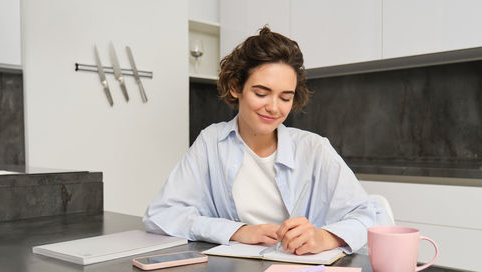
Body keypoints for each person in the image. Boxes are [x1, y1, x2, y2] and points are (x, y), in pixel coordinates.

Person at [143, 26, 375, 255]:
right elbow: (160, 214)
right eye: (261, 93)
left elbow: (370, 217)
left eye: (285, 97)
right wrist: (236, 231)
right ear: (236, 87)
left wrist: (324, 237)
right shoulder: (211, 142)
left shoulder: (314, 149)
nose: (273, 108)